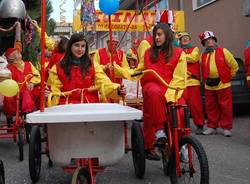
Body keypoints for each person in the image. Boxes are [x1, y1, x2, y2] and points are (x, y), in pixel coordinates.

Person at [139, 23, 186, 160]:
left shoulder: (179, 53)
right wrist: (119, 70)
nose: (157, 38)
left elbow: (179, 78)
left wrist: (170, 96)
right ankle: (160, 132)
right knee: (153, 91)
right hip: (153, 88)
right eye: (155, 35)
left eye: (160, 34)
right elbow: (138, 70)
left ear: (168, 35)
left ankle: (181, 144)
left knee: (180, 112)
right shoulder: (148, 53)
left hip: (171, 90)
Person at [47, 33, 124, 105]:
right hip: (66, 107)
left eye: (83, 46)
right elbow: (54, 91)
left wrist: (118, 90)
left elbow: (104, 83)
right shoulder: (57, 68)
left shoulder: (93, 66)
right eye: (77, 45)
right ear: (70, 47)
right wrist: (50, 96)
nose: (80, 49)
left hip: (89, 107)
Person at [199, 31, 239, 137]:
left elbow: (234, 65)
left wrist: (229, 76)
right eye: (206, 41)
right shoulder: (202, 55)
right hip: (209, 85)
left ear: (214, 40)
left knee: (225, 107)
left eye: (211, 39)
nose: (209, 42)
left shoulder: (223, 51)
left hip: (223, 84)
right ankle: (212, 126)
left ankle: (226, 128)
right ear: (204, 44)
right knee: (210, 107)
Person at [3, 48, 41, 128]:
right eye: (16, 52)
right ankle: (10, 117)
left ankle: (27, 115)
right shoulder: (8, 68)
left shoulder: (28, 64)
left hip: (28, 90)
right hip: (15, 91)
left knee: (27, 94)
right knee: (8, 98)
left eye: (18, 52)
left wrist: (32, 82)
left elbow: (37, 75)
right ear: (11, 57)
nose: (19, 53)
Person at [178, 32, 205, 134]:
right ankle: (183, 126)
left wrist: (180, 55)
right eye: (182, 38)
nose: (185, 39)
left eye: (186, 38)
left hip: (193, 82)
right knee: (181, 106)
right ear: (179, 41)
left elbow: (193, 58)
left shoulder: (195, 49)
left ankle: (200, 125)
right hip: (181, 82)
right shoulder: (178, 50)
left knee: (195, 106)